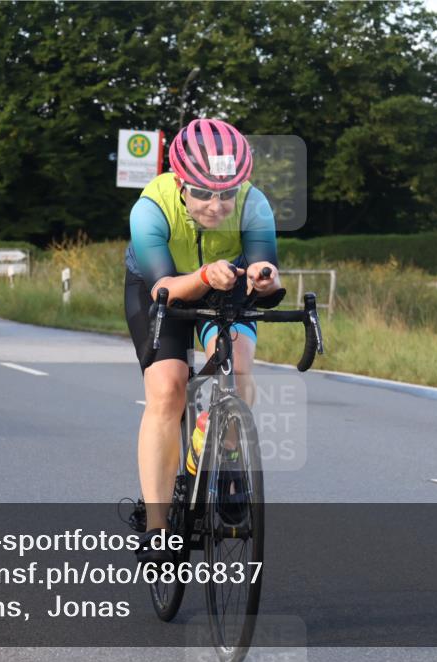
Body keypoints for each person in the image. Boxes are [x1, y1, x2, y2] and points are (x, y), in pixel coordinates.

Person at [123, 118, 282, 562]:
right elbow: (164, 289)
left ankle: (226, 462)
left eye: (227, 194)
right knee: (168, 389)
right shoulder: (149, 209)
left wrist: (263, 278)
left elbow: (267, 267)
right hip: (160, 286)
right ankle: (157, 527)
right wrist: (201, 275)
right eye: (204, 193)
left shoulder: (256, 204)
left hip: (225, 280)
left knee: (239, 366)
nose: (217, 205)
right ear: (180, 183)